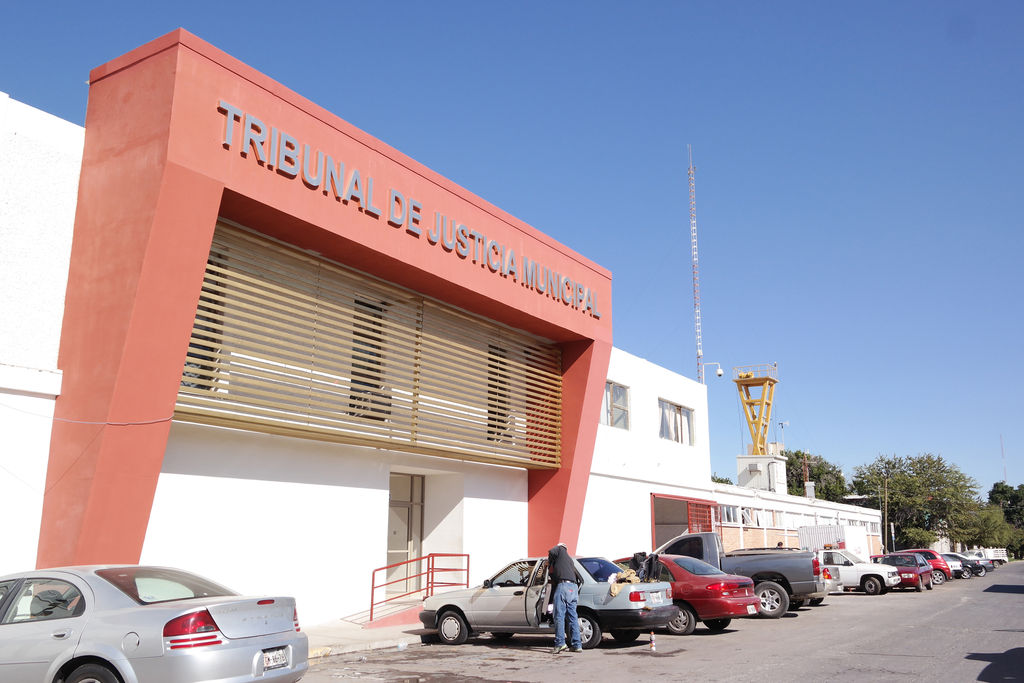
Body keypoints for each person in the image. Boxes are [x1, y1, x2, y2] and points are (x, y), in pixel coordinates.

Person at [548, 541, 582, 653]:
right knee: (573, 617)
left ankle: (560, 643)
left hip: (563, 586)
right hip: (573, 588)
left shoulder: (559, 550)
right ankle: (577, 645)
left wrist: (550, 562)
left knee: (559, 616)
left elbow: (551, 551)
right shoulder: (569, 560)